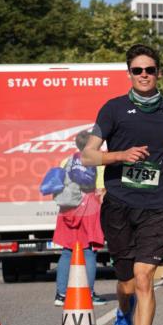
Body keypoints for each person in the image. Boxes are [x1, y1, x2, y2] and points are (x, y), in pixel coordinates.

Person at [81, 44, 163, 325]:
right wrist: (121, 155)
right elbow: (87, 156)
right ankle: (123, 309)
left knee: (145, 277)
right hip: (120, 204)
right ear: (129, 73)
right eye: (138, 70)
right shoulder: (113, 109)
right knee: (126, 282)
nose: (144, 75)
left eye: (150, 70)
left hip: (157, 204)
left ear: (159, 73)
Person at [52, 131, 107, 306]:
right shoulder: (98, 162)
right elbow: (101, 190)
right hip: (89, 208)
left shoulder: (66, 161)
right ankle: (88, 293)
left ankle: (61, 295)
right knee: (89, 251)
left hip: (68, 209)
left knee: (67, 251)